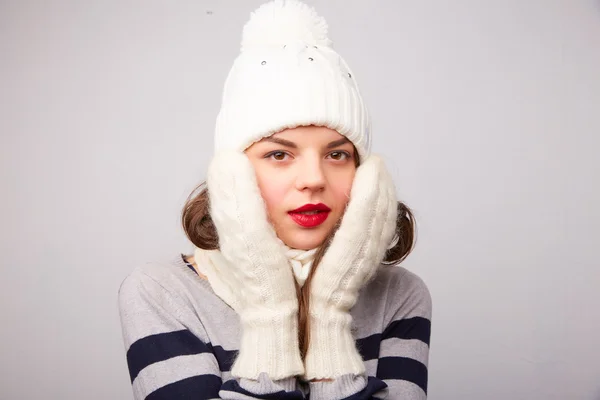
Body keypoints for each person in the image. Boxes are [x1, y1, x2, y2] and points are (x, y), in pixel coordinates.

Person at [118, 0, 432, 398]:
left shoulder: (400, 294)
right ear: (233, 174)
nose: (314, 180)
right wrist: (271, 314)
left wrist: (328, 319)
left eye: (338, 154)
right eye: (278, 154)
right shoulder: (161, 291)